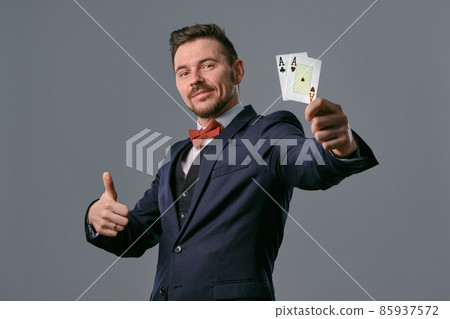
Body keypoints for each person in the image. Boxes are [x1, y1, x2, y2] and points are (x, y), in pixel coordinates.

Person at [84, 23, 378, 300]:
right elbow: (134, 236)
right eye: (183, 72)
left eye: (208, 66)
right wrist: (97, 219)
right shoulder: (174, 156)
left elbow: (310, 164)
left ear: (237, 71)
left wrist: (340, 146)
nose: (195, 80)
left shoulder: (270, 132)